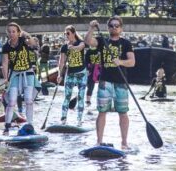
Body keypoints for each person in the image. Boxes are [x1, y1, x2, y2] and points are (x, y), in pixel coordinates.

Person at [85, 16, 135, 150]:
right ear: (108, 28)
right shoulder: (102, 41)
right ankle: (99, 141)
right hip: (105, 81)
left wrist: (121, 62)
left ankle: (124, 143)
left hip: (121, 82)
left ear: (121, 28)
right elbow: (88, 41)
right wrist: (91, 28)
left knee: (123, 112)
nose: (114, 28)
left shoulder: (126, 43)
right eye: (111, 25)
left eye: (116, 26)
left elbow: (132, 62)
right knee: (102, 112)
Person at [1, 22, 39, 134]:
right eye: (9, 32)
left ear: (18, 32)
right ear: (7, 33)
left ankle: (30, 125)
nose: (12, 34)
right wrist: (6, 79)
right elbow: (5, 64)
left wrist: (26, 35)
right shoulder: (6, 47)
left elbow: (33, 45)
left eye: (14, 31)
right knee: (12, 101)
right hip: (15, 75)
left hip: (28, 73)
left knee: (29, 100)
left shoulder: (24, 41)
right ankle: (7, 126)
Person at [58, 25, 88, 125]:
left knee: (80, 97)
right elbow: (62, 62)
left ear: (73, 33)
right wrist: (59, 75)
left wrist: (72, 48)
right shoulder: (64, 47)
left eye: (68, 33)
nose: (66, 35)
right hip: (70, 73)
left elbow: (80, 48)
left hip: (81, 73)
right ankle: (63, 120)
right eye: (65, 34)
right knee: (67, 97)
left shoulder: (81, 42)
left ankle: (79, 120)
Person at [84, 36, 101, 108]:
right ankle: (88, 101)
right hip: (92, 70)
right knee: (90, 86)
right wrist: (87, 69)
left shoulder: (100, 50)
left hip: (100, 69)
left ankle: (102, 100)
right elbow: (86, 62)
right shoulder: (88, 52)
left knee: (103, 85)